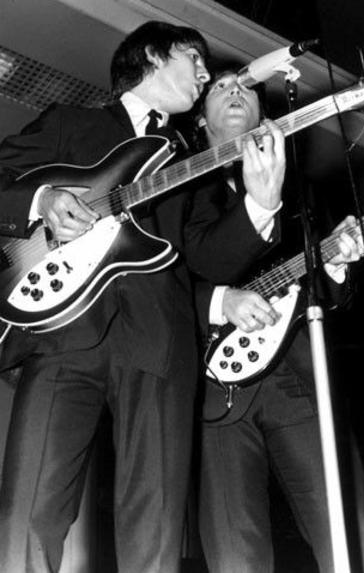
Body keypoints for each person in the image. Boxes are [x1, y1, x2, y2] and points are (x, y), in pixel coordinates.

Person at [0, 22, 279, 573]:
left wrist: (259, 206)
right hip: (64, 336)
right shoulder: (70, 122)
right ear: (152, 54)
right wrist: (44, 198)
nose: (205, 76)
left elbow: (208, 258)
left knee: (153, 533)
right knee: (27, 515)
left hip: (159, 345)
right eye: (194, 60)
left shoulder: (188, 161)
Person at [194, 70, 364, 572]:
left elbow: (326, 292)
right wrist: (220, 301)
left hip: (299, 377)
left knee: (348, 531)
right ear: (199, 118)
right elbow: (157, 283)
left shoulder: (303, 194)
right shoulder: (177, 192)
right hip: (214, 388)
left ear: (267, 118)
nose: (236, 92)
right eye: (220, 87)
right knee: (235, 548)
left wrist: (339, 262)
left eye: (246, 89)